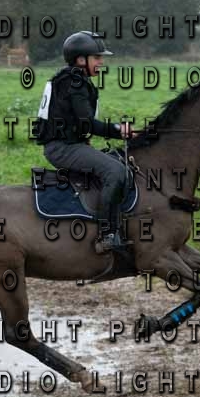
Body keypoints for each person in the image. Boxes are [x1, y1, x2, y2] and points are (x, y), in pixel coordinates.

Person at [34, 31, 137, 254]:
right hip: (63, 149)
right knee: (116, 172)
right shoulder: (75, 82)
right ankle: (107, 235)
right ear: (81, 59)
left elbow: (76, 122)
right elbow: (88, 123)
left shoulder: (70, 78)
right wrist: (118, 130)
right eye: (97, 58)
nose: (101, 62)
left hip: (70, 145)